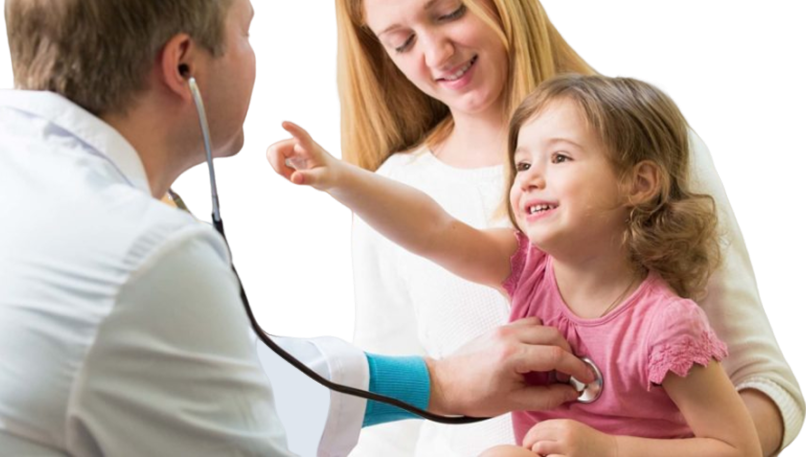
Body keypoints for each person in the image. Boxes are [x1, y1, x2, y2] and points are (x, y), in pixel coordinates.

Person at [0, 0, 597, 457]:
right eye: (246, 30)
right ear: (184, 63)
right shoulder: (142, 250)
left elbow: (210, 372)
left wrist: (435, 381)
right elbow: (229, 408)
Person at [331, 0, 805, 457]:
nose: (435, 55)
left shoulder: (643, 144)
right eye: (402, 42)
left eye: (450, 12)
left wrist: (626, 451)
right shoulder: (392, 192)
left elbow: (763, 380)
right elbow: (388, 424)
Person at [269, 74, 763, 456]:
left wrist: (610, 450)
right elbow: (432, 229)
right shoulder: (527, 269)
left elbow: (735, 446)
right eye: (523, 164)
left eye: (560, 158)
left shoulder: (666, 325)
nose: (529, 179)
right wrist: (338, 178)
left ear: (639, 183)